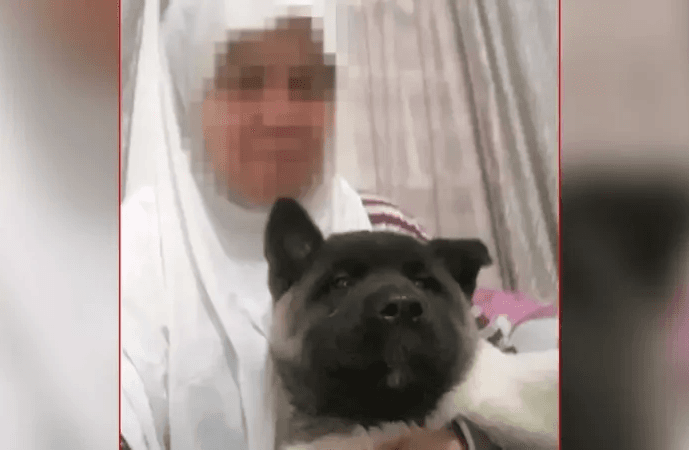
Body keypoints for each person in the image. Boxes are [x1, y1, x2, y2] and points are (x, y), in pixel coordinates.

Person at [121, 1, 551, 449]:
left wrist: (453, 440)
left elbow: (497, 378)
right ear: (190, 100)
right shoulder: (134, 250)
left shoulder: (383, 224)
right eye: (245, 83)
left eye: (304, 85)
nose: (279, 116)